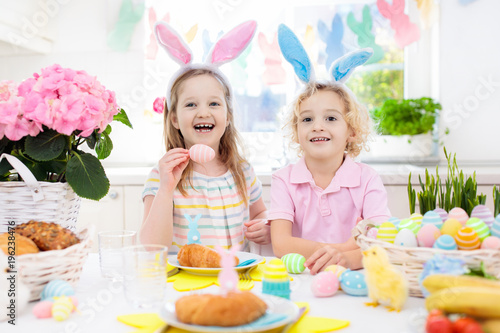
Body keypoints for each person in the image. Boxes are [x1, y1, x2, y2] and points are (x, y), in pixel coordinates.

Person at [270, 24, 390, 273]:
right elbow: (281, 244)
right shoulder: (283, 180)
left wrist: (346, 259)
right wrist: (343, 247)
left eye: (331, 118)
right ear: (296, 132)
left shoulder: (368, 180)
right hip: (300, 280)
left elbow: (382, 243)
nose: (317, 127)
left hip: (354, 277)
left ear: (352, 131)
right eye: (307, 119)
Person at [141, 21, 269, 253]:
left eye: (214, 103)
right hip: (185, 283)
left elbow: (260, 213)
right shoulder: (162, 177)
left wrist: (265, 226)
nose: (203, 112)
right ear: (175, 119)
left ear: (227, 116)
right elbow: (151, 247)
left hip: (235, 277)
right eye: (191, 104)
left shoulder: (243, 171)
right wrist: (166, 189)